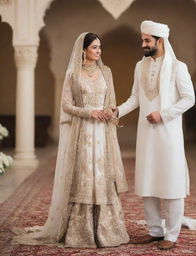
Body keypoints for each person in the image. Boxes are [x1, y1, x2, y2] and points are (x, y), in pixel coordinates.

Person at [12, 32, 129, 248]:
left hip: (102, 134)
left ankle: (106, 231)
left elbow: (111, 102)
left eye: (99, 47)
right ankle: (80, 233)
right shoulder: (73, 74)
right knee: (84, 176)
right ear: (83, 50)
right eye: (94, 47)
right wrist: (89, 112)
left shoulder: (106, 72)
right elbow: (66, 106)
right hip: (83, 133)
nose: (98, 51)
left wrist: (107, 112)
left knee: (102, 176)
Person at [114, 20, 195, 250]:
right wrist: (117, 110)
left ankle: (172, 234)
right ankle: (155, 231)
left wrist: (165, 114)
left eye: (147, 40)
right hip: (146, 134)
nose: (143, 43)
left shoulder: (179, 67)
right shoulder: (139, 67)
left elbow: (189, 99)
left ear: (160, 41)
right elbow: (135, 99)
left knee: (171, 181)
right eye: (142, 39)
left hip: (168, 133)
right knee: (148, 179)